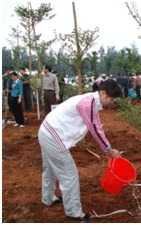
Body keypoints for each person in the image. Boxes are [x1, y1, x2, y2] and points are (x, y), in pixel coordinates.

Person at [38, 79, 122, 222]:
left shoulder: (90, 101)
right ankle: (73, 212)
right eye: (111, 99)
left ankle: (48, 198)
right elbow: (95, 128)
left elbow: (94, 126)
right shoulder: (88, 103)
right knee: (69, 174)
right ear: (102, 93)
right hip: (53, 137)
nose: (112, 102)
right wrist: (108, 149)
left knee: (50, 169)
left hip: (47, 131)